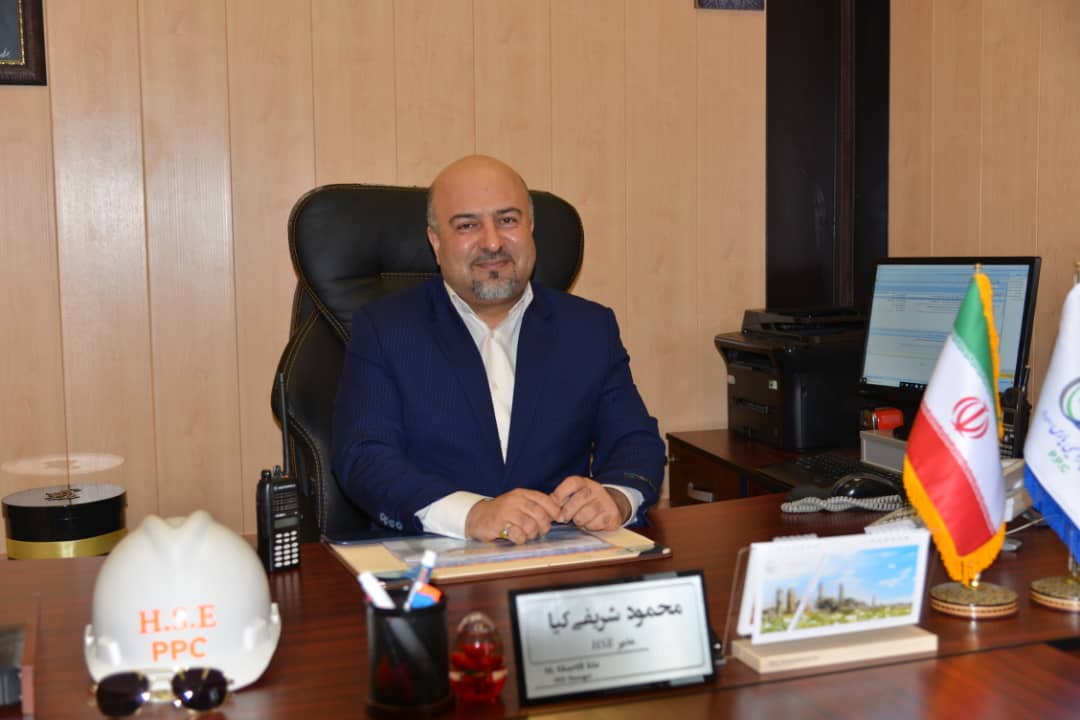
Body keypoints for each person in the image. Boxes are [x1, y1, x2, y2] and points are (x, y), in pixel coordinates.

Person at [331, 154, 665, 543]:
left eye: (507, 220)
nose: (492, 242)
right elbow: (364, 456)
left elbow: (635, 440)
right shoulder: (386, 329)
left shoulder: (589, 328)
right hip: (434, 552)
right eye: (467, 225)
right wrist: (472, 514)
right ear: (436, 242)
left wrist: (616, 498)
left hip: (558, 552)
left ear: (531, 229)